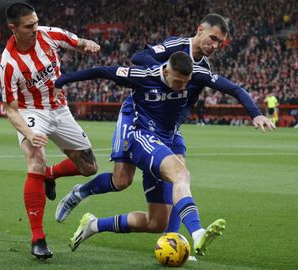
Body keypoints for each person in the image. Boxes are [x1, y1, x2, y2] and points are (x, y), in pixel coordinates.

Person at [55, 14, 273, 241]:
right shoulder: (174, 46)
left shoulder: (202, 69)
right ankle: (81, 192)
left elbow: (234, 89)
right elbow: (138, 57)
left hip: (168, 128)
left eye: (220, 43)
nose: (215, 46)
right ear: (200, 30)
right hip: (137, 115)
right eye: (213, 39)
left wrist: (255, 114)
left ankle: (174, 238)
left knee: (178, 176)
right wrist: (161, 74)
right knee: (122, 181)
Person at [0, 2, 101, 259]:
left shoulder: (48, 34)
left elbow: (77, 42)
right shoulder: (9, 63)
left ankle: (50, 175)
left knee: (89, 167)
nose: (36, 28)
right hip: (31, 112)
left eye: (36, 22)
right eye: (29, 25)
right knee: (35, 158)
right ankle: (38, 239)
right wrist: (29, 133)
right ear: (14, 28)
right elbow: (11, 109)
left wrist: (88, 45)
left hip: (60, 109)